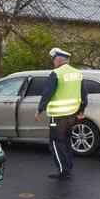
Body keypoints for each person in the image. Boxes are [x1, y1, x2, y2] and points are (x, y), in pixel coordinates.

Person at [34, 48, 87, 180]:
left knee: (56, 142)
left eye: (54, 60)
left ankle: (63, 170)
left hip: (58, 116)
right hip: (72, 115)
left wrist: (40, 109)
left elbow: (48, 93)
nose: (53, 63)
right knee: (66, 140)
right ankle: (68, 166)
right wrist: (81, 110)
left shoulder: (56, 73)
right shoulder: (77, 73)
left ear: (58, 60)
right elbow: (84, 94)